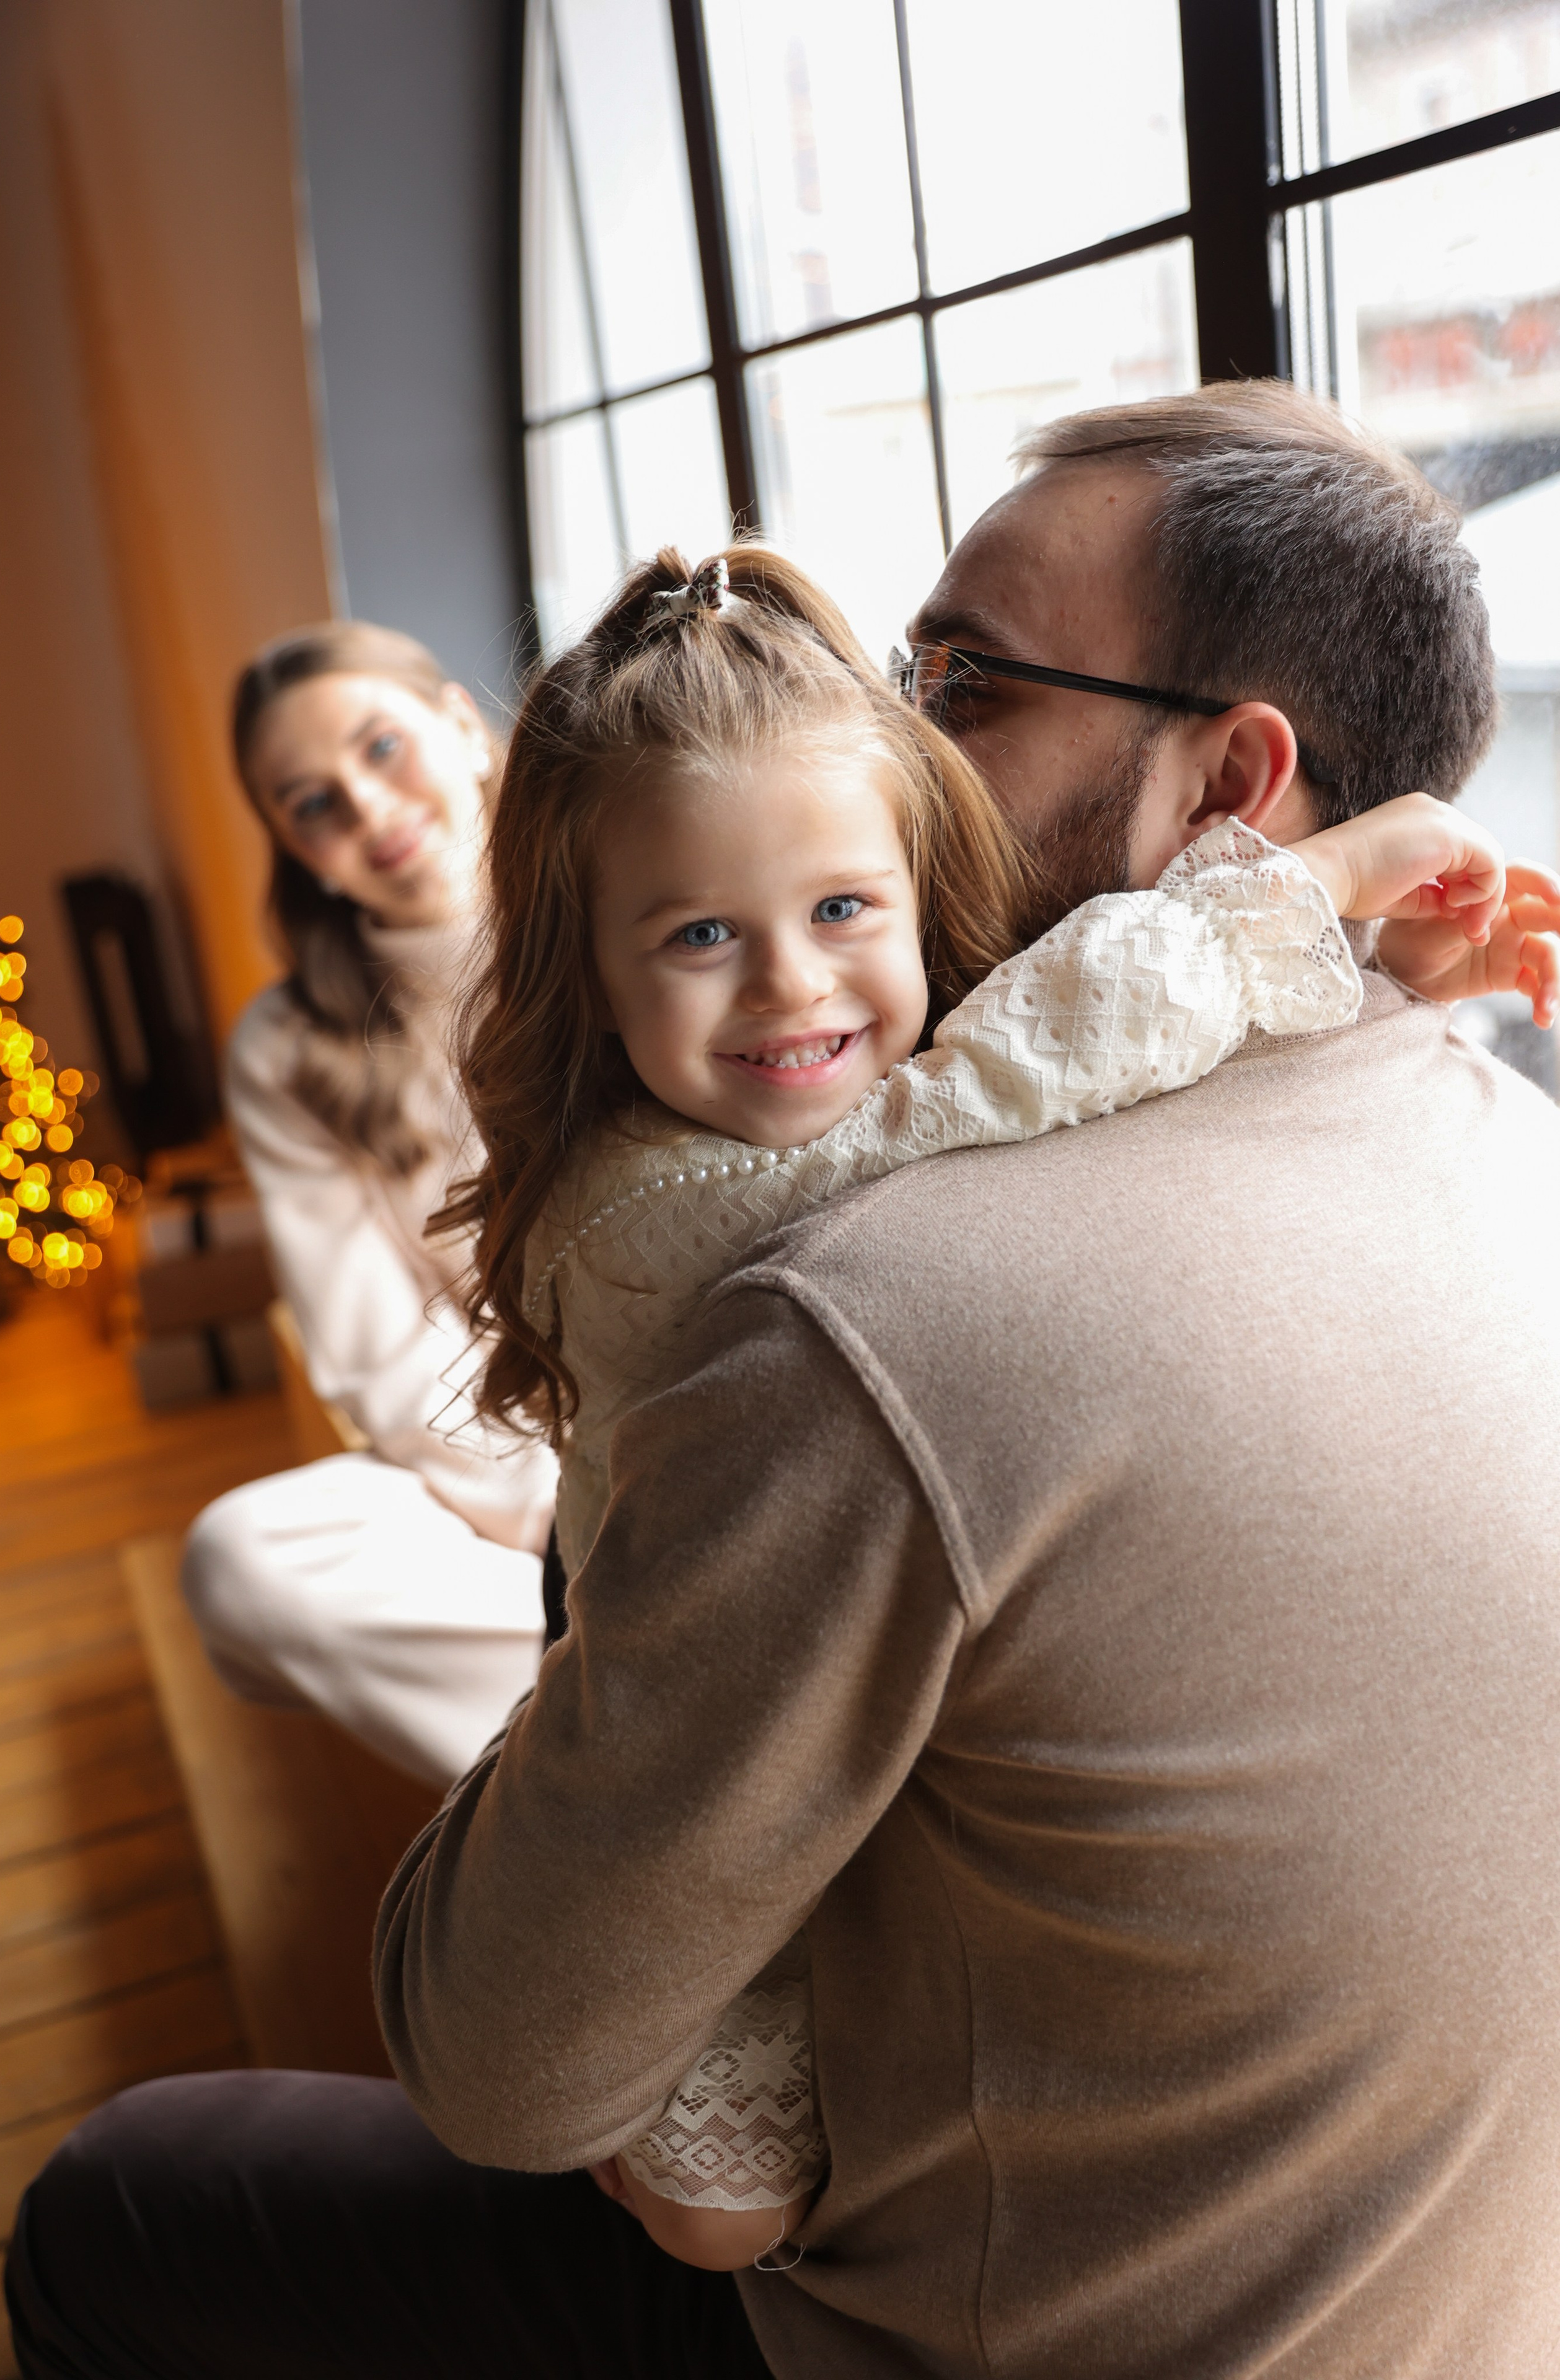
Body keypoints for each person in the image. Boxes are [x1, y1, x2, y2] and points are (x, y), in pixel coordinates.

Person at [5, 384, 1560, 2379]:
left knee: (128, 2194)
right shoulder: (1504, 1136)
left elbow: (499, 2070)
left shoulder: (882, 1309)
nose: (897, 751)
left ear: (1230, 798)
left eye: (967, 682)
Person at [439, 543, 1524, 2273]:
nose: (792, 986)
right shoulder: (675, 1212)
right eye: (704, 936)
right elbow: (1018, 1063)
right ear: (595, 972)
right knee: (718, 2206)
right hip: (673, 1669)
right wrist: (1312, 898)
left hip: (742, 1688)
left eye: (843, 913)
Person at [180, 623, 557, 1785]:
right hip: (520, 1466)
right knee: (243, 1563)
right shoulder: (288, 1049)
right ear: (301, 855)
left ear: (460, 724)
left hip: (706, 1402)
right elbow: (379, 1355)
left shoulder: (615, 906)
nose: (366, 809)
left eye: (382, 748)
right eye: (312, 806)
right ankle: (597, 1742)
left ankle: (611, 1742)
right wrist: (553, 1516)